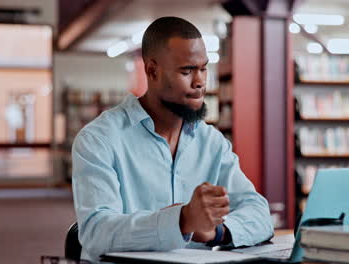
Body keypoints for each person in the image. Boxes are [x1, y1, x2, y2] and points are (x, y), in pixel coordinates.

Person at [72, 16, 273, 262]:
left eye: (203, 68)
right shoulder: (99, 139)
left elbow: (260, 213)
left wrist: (216, 231)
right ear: (152, 70)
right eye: (187, 70)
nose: (200, 82)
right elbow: (96, 232)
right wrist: (182, 221)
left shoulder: (212, 142)